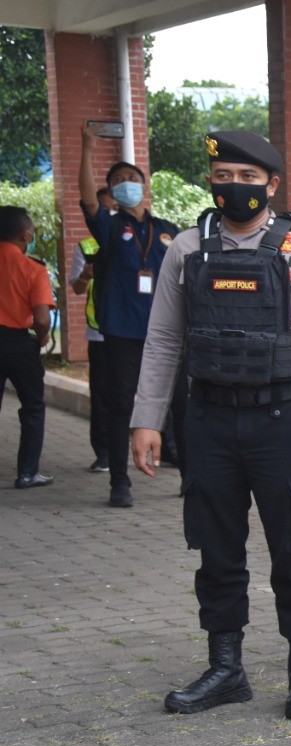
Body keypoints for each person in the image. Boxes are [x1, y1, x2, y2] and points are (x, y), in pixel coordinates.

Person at [129, 131, 291, 719]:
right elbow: (165, 339)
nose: (235, 187)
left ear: (272, 185)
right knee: (216, 551)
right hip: (209, 421)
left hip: (283, 423)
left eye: (249, 178)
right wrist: (146, 418)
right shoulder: (187, 251)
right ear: (212, 181)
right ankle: (225, 669)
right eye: (224, 176)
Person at [80, 121, 180, 508]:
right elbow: (88, 199)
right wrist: (87, 149)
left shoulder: (168, 230)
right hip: (123, 331)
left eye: (132, 177)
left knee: (181, 403)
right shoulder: (108, 226)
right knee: (122, 404)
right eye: (119, 179)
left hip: (167, 332)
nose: (126, 183)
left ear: (144, 185)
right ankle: (119, 483)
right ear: (114, 192)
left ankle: (190, 476)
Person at [0, 206, 56, 489]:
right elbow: (42, 318)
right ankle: (27, 473)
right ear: (25, 234)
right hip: (19, 343)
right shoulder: (33, 268)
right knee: (33, 406)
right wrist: (42, 337)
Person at [68, 187, 117, 472]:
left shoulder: (136, 240)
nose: (108, 215)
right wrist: (87, 273)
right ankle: (105, 454)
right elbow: (76, 288)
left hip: (137, 332)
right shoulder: (85, 247)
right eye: (103, 210)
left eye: (113, 210)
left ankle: (168, 448)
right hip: (100, 334)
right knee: (102, 395)